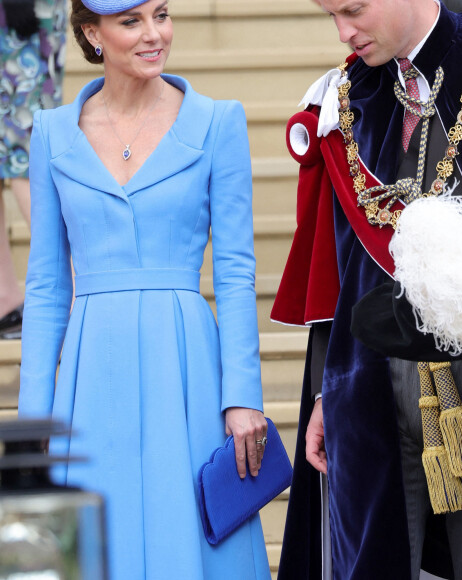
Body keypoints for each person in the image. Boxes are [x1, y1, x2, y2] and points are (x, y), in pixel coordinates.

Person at [271, 0, 462, 578]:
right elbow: (335, 271)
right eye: (330, 14)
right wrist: (321, 393)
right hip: (373, 385)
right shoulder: (349, 97)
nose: (343, 32)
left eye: (354, 10)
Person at [17, 0, 271, 578]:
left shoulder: (217, 121)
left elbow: (235, 271)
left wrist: (243, 393)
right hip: (90, 372)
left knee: (194, 544)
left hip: (185, 367)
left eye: (161, 14)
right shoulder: (52, 133)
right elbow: (47, 287)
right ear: (92, 34)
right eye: (131, 21)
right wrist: (35, 420)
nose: (155, 34)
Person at [0, 0, 66, 339]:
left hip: (20, 19)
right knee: (21, 156)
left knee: (26, 156)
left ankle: (70, 292)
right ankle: (6, 301)